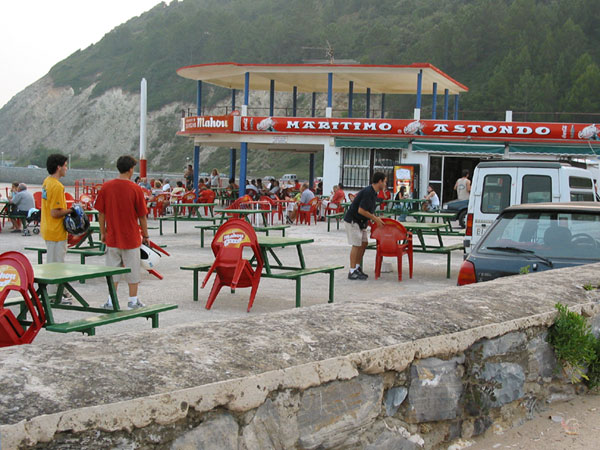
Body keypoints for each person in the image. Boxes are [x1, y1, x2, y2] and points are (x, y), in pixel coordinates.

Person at [95, 155, 150, 310]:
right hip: (131, 237)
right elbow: (142, 216)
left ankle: (111, 300)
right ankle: (133, 301)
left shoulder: (106, 187)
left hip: (112, 236)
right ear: (131, 169)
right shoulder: (136, 189)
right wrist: (146, 235)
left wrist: (103, 232)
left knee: (112, 270)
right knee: (133, 269)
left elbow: (101, 213)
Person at [41, 154, 74, 303]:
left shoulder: (47, 182)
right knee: (57, 264)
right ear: (59, 167)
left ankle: (61, 291)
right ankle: (55, 295)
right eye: (65, 165)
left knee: (53, 261)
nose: (66, 168)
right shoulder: (57, 186)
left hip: (48, 228)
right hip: (56, 231)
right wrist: (71, 210)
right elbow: (55, 212)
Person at [344, 172, 386, 280]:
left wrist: (375, 218)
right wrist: (375, 219)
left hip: (361, 222)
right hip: (353, 220)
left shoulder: (374, 193)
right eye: (385, 182)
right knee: (356, 244)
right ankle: (352, 270)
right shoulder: (368, 192)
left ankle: (357, 267)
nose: (385, 184)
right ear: (380, 181)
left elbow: (368, 210)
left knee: (364, 243)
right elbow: (361, 210)